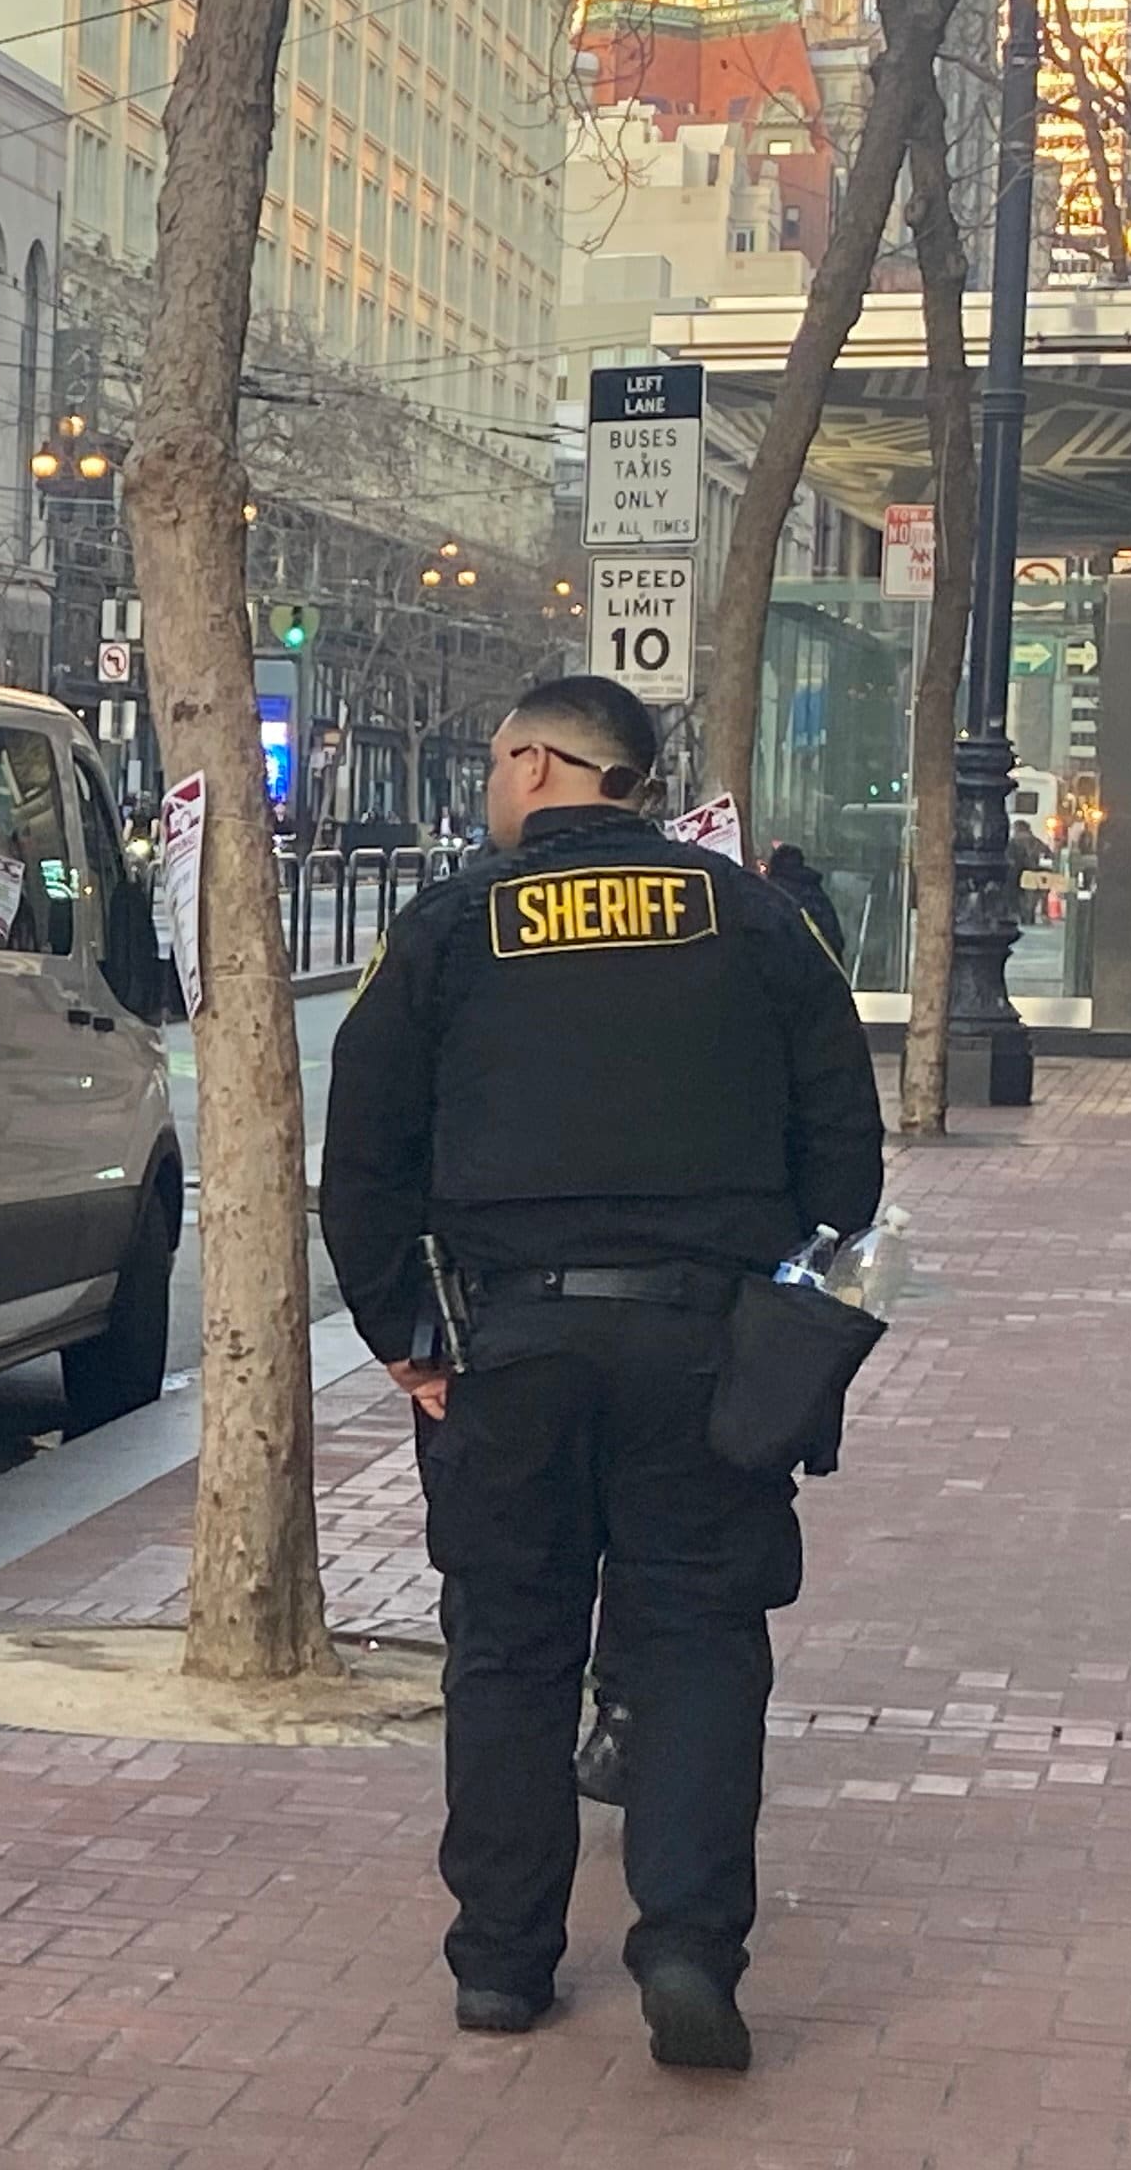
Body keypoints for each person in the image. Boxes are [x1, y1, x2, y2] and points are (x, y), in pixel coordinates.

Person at [321, 676, 884, 2073]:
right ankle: (688, 1945)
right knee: (698, 1639)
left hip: (505, 1346)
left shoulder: (449, 926)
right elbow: (846, 1158)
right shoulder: (757, 919)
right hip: (705, 1350)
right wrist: (782, 1311)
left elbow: (366, 1157)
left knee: (509, 1646)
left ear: (532, 763)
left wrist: (404, 1339)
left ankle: (501, 1962)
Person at [760, 842, 849, 975]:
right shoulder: (815, 891)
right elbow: (834, 936)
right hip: (823, 970)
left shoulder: (771, 893)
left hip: (789, 970)